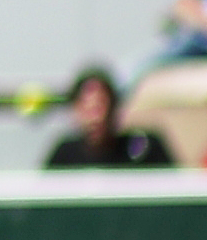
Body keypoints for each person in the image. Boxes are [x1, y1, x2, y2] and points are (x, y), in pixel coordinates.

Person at [39, 66, 175, 168]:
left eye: (101, 105)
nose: (96, 118)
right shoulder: (65, 155)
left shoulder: (143, 147)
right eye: (87, 108)